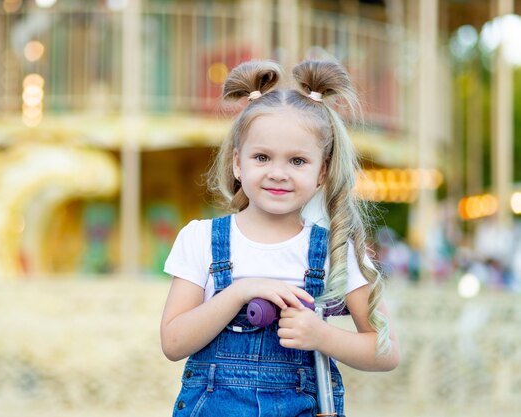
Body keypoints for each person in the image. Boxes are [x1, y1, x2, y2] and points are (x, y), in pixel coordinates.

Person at [160, 59, 400, 416]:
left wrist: (322, 336)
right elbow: (173, 341)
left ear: (322, 172)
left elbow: (386, 351)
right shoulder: (200, 239)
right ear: (238, 164)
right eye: (262, 157)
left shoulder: (335, 250)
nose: (278, 173)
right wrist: (241, 290)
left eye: (298, 161)